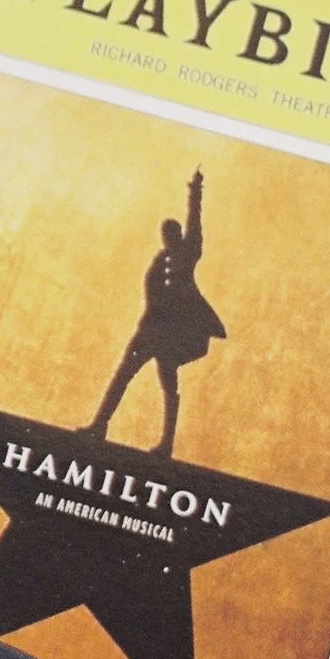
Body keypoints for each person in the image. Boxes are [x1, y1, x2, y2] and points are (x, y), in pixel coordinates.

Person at [89, 170, 224, 457]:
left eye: (172, 233)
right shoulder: (160, 259)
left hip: (169, 334)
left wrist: (195, 191)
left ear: (178, 235)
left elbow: (194, 221)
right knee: (123, 375)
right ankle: (100, 425)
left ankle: (166, 444)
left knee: (168, 385)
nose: (168, 238)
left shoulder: (187, 254)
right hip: (149, 329)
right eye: (166, 234)